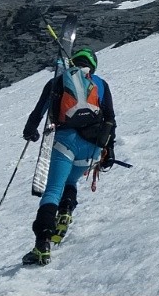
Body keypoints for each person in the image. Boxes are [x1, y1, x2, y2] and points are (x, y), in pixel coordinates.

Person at [21, 48, 116, 265]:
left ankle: (42, 244)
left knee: (54, 189)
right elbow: (110, 118)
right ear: (93, 65)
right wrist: (109, 150)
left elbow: (38, 112)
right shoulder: (100, 83)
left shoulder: (58, 81)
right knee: (71, 181)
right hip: (92, 147)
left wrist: (31, 131)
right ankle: (65, 211)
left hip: (65, 141)